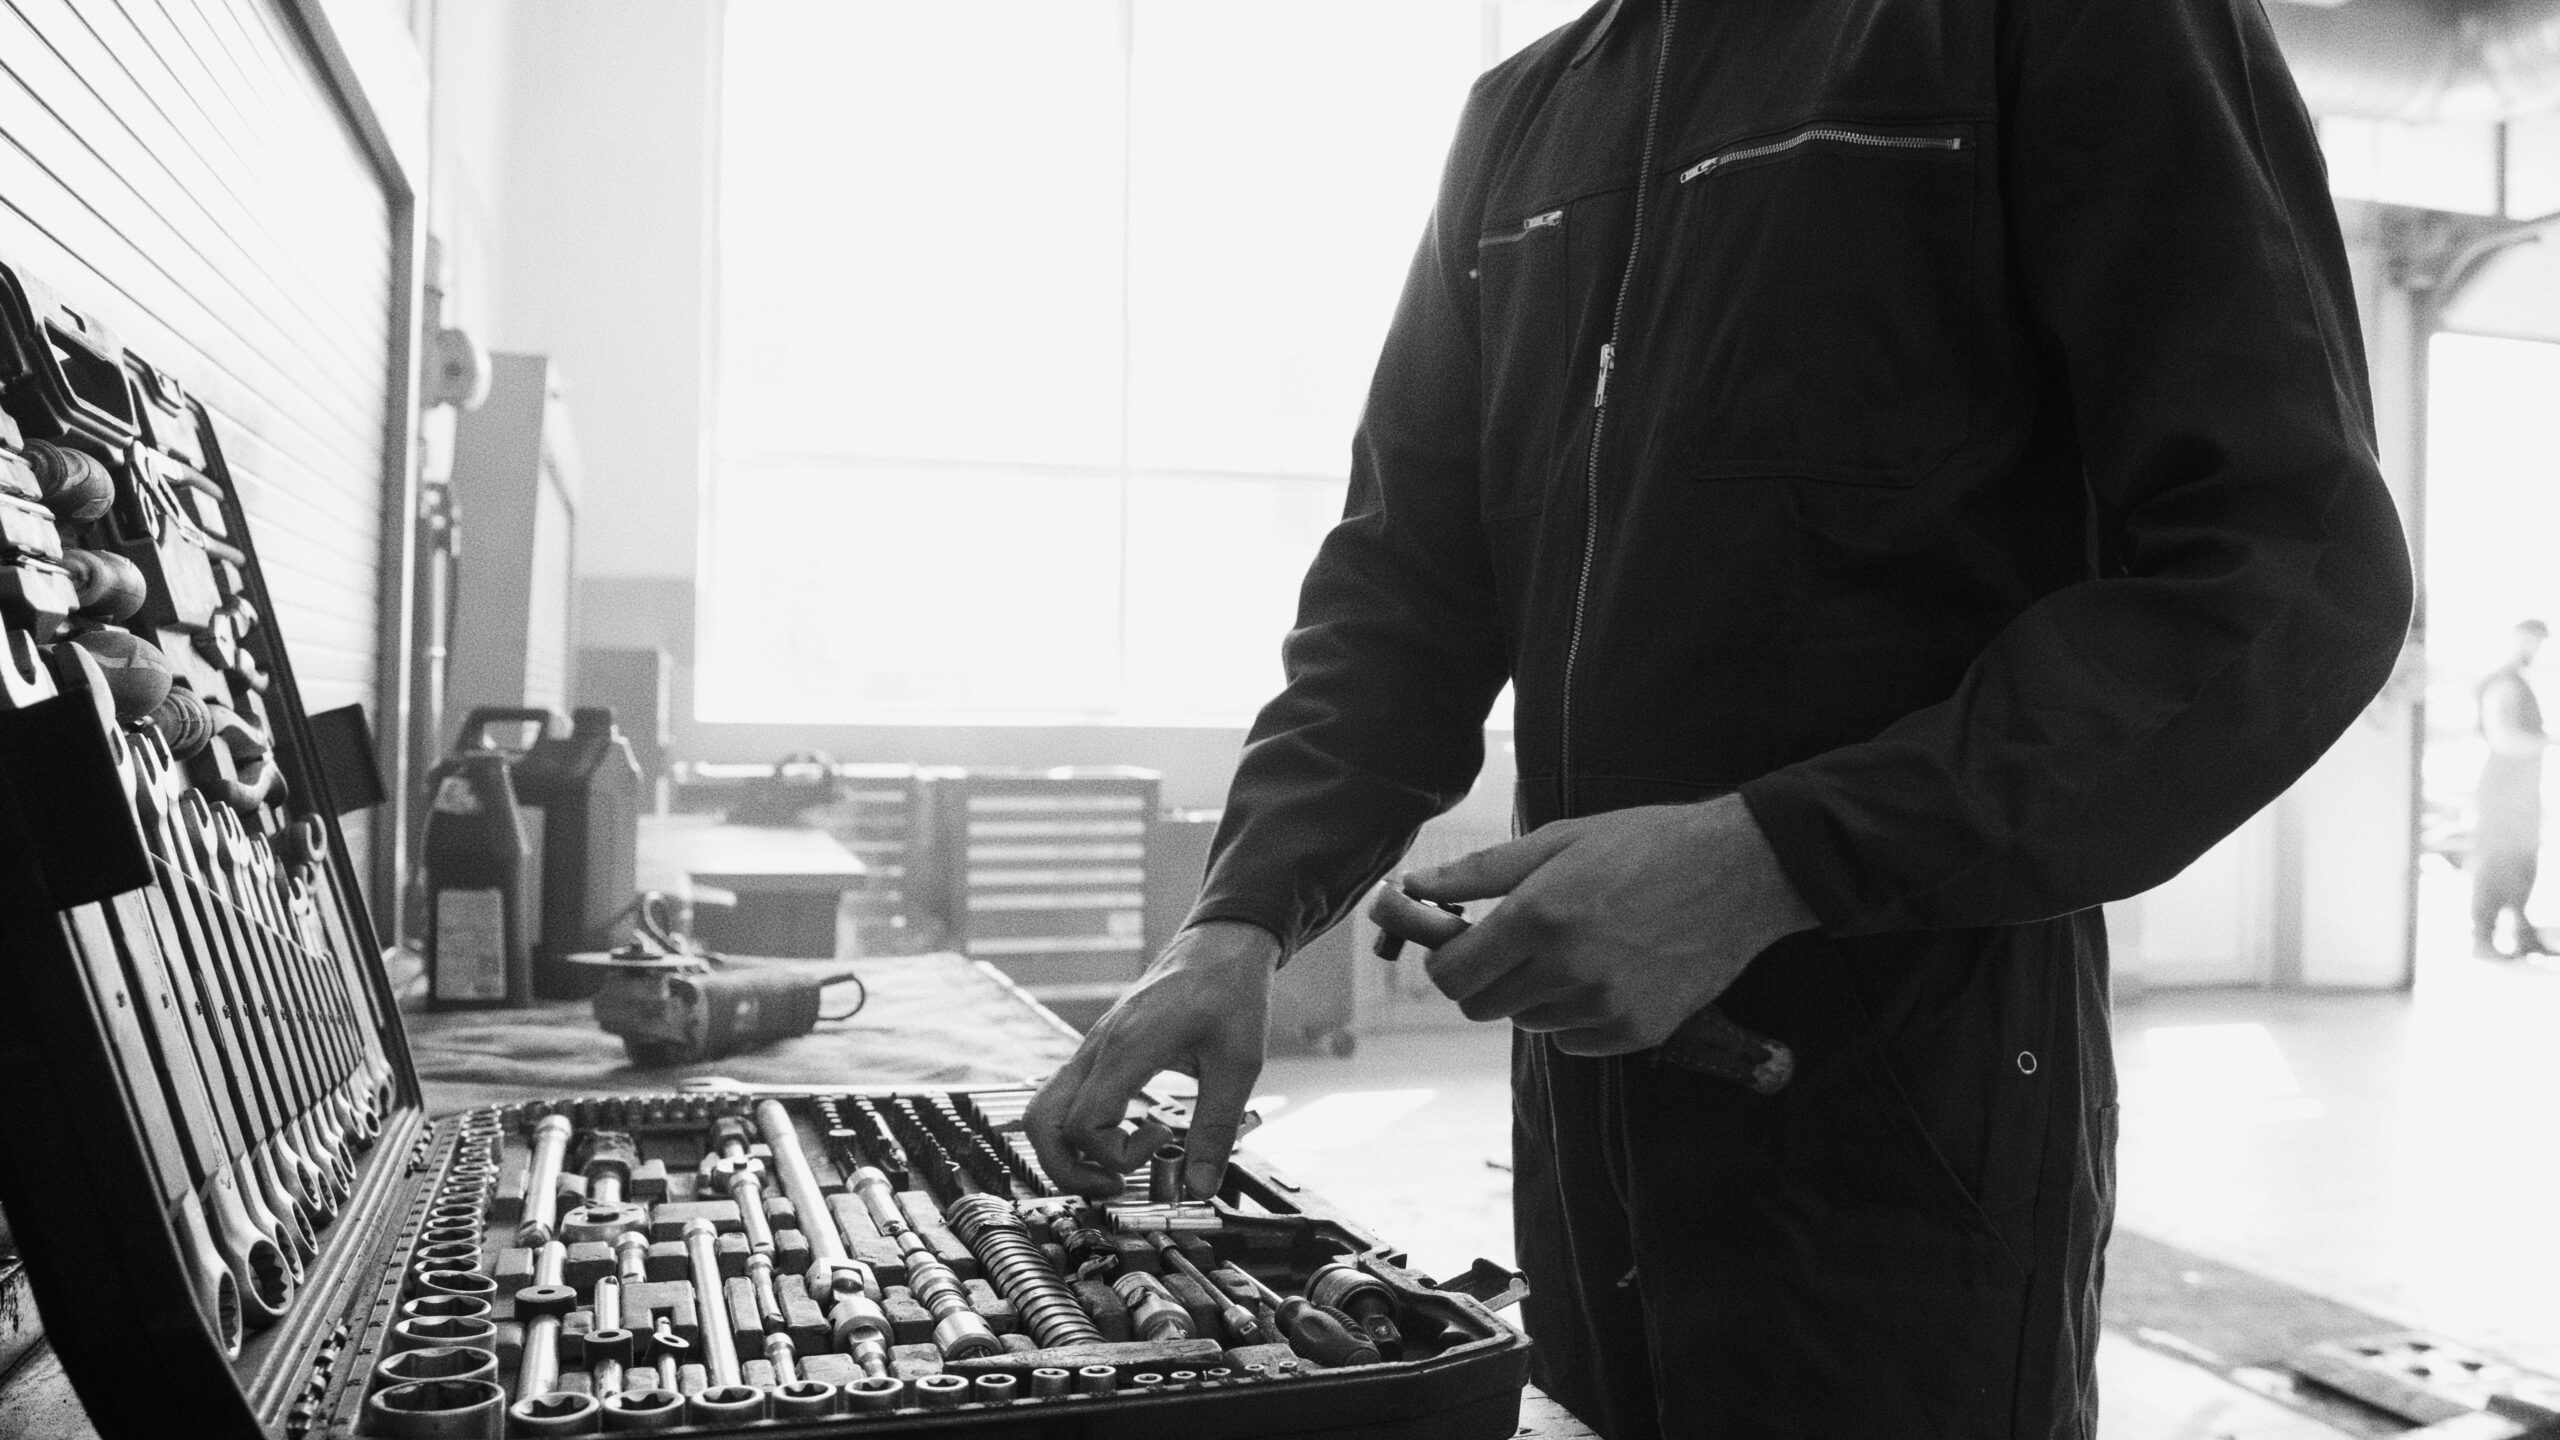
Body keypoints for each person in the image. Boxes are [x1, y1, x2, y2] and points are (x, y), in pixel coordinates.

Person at [1025, 0, 2413, 1432]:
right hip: (1591, 1124)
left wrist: (1774, 859)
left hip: (1902, 1132)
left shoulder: (2049, 26)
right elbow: (1403, 591)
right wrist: (1241, 917)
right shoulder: (1522, 120)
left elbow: (2293, 573)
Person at [2473, 620, 2549, 959]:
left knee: (2522, 859)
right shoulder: (2503, 685)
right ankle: (2483, 939)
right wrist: (2547, 741)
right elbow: (2503, 739)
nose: (2536, 649)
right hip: (2503, 787)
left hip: (2521, 788)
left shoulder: (2519, 684)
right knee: (2497, 860)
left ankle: (2522, 932)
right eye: (2532, 641)